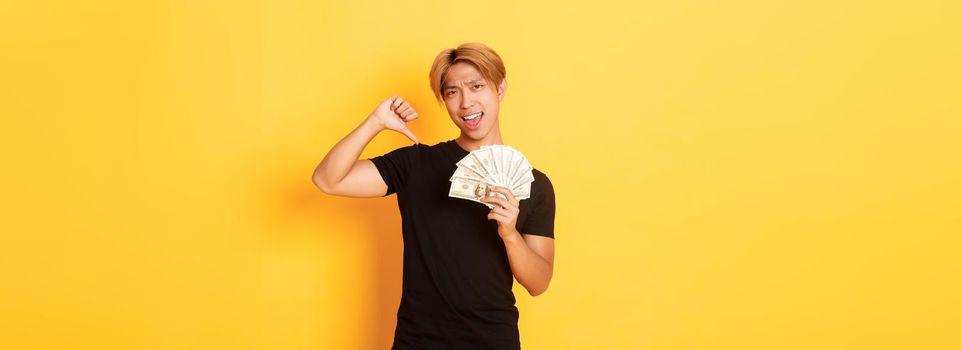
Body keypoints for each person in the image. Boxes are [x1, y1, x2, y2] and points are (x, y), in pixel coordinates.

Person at [312, 42, 555, 349]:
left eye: (477, 86)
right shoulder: (416, 164)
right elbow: (327, 180)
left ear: (500, 89)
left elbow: (539, 283)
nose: (466, 102)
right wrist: (375, 122)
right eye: (452, 91)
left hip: (493, 341)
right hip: (418, 341)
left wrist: (510, 234)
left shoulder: (535, 184)